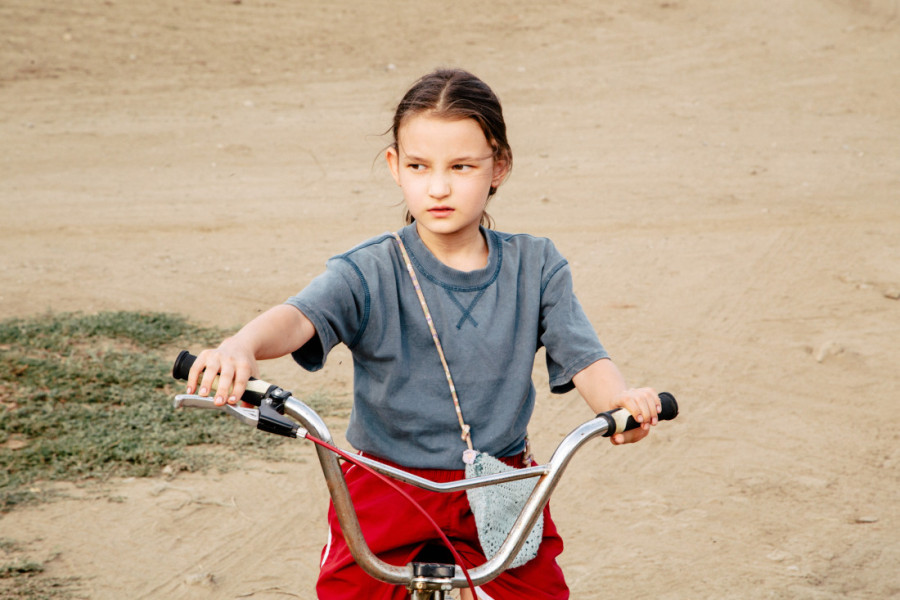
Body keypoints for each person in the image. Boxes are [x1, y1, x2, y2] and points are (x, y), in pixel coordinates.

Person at [185, 68, 661, 600]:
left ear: (498, 165)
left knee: (538, 593)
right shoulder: (369, 269)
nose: (438, 187)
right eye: (419, 166)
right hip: (385, 485)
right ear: (395, 166)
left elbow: (584, 357)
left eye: (461, 166)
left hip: (497, 482)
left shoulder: (536, 265)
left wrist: (620, 403)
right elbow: (300, 316)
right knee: (347, 591)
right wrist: (240, 346)